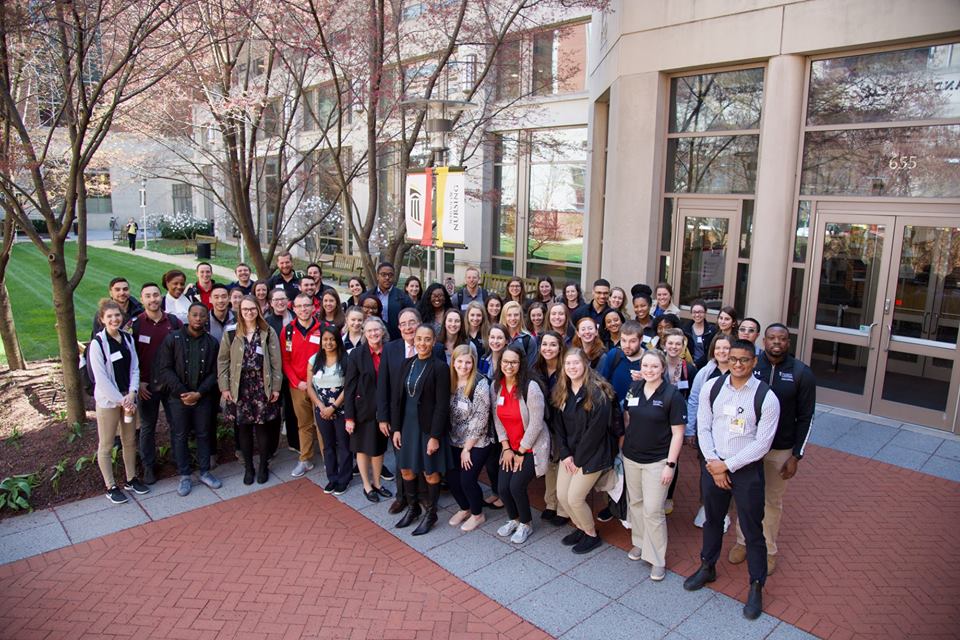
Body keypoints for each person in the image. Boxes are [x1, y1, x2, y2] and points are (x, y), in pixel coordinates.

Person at [684, 340, 780, 621]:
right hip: (714, 464)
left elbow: (762, 444)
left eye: (744, 360)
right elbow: (703, 425)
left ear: (754, 362)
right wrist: (715, 463)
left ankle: (756, 584)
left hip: (746, 470)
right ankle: (707, 566)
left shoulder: (766, 397)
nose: (738, 364)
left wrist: (727, 466)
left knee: (752, 529)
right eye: (734, 359)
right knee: (713, 520)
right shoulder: (713, 388)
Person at [729, 324, 815, 576]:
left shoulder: (801, 373)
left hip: (779, 449)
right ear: (763, 340)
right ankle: (743, 542)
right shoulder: (753, 365)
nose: (776, 342)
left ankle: (768, 550)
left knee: (771, 501)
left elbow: (807, 417)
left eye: (782, 338)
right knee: (745, 497)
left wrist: (796, 455)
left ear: (789, 342)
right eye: (771, 338)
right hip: (747, 446)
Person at [622, 349, 686, 580]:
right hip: (631, 457)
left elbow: (678, 434)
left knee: (654, 510)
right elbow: (627, 417)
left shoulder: (672, 395)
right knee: (636, 503)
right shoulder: (634, 388)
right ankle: (639, 542)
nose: (649, 370)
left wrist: (670, 464)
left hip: (658, 461)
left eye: (654, 366)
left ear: (662, 369)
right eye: (645, 366)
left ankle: (657, 558)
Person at [152, 303, 223, 497]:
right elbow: (165, 368)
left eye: (202, 315)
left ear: (206, 318)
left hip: (203, 397)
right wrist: (183, 392)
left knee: (203, 433)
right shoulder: (172, 339)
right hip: (178, 398)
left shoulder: (211, 343)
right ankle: (184, 475)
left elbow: (214, 373)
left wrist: (199, 393)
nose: (198, 318)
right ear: (188, 317)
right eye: (194, 315)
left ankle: (204, 471)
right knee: (180, 435)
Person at [554, 348, 618, 555]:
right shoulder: (562, 390)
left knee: (575, 498)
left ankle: (591, 534)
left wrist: (577, 460)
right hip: (570, 454)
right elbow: (558, 426)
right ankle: (580, 527)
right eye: (568, 364)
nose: (572, 367)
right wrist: (565, 454)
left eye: (576, 363)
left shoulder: (598, 393)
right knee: (562, 496)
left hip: (593, 455)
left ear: (586, 364)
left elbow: (595, 434)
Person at [391, 324, 452, 536]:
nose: (423, 343)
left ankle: (431, 514)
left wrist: (435, 436)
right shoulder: (406, 364)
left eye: (427, 339)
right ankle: (413, 507)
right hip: (407, 427)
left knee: (430, 472)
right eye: (419, 339)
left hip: (427, 429)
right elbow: (398, 399)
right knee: (406, 469)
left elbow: (442, 405)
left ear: (433, 341)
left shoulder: (440, 367)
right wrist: (396, 428)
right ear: (413, 340)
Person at [217, 296, 282, 485]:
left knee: (262, 427)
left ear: (258, 310)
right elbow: (223, 361)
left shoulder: (267, 332)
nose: (249, 312)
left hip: (262, 385)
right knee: (243, 428)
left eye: (252, 309)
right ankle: (248, 468)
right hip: (240, 385)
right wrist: (224, 387)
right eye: (245, 309)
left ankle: (263, 465)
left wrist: (276, 387)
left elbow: (276, 362)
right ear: (239, 311)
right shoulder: (230, 332)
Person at [89, 300, 148, 504]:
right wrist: (121, 400)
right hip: (109, 403)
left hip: (128, 401)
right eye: (110, 316)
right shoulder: (97, 344)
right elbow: (101, 378)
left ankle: (131, 478)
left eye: (117, 315)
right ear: (102, 320)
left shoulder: (127, 339)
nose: (114, 319)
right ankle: (111, 485)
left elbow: (135, 368)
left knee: (129, 440)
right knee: (106, 444)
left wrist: (132, 394)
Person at [377, 308, 434, 514]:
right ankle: (403, 497)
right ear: (398, 327)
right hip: (398, 415)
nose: (408, 327)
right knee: (402, 457)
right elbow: (382, 385)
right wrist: (383, 417)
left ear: (420, 324)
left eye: (412, 322)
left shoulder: (432, 350)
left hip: (421, 416)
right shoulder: (391, 349)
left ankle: (424, 496)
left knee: (421, 455)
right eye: (403, 324)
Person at [491, 345, 550, 544]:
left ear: (521, 364)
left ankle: (526, 524)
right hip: (510, 447)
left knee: (516, 486)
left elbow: (536, 423)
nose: (509, 365)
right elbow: (497, 418)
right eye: (506, 361)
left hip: (531, 447)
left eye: (514, 362)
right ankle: (513, 520)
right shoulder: (496, 386)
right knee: (502, 487)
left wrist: (520, 451)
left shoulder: (530, 387)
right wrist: (506, 448)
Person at [132, 283, 183, 485]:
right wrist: (139, 383)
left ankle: (180, 462)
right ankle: (149, 467)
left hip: (171, 385)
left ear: (160, 298)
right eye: (148, 296)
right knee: (147, 427)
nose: (153, 299)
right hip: (147, 387)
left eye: (155, 295)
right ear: (142, 299)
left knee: (177, 425)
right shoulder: (135, 325)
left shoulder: (173, 321)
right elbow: (131, 357)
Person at [686, 333, 734, 529]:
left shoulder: (738, 372)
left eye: (726, 348)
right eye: (718, 348)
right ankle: (705, 507)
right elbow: (694, 400)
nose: (722, 352)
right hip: (707, 432)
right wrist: (690, 429)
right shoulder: (705, 373)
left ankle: (725, 513)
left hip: (731, 433)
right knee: (707, 470)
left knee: (729, 471)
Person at [344, 316, 393, 503]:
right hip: (362, 411)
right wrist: (349, 417)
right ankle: (367, 485)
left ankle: (378, 482)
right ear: (364, 333)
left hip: (383, 411)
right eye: (369, 330)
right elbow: (349, 387)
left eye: (376, 330)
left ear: (382, 331)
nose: (373, 333)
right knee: (363, 449)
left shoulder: (390, 351)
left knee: (379, 448)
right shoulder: (356, 355)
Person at [446, 345, 493, 532]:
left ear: (473, 362)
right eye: (460, 361)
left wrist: (467, 449)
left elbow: (480, 419)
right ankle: (464, 508)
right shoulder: (449, 380)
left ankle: (477, 514)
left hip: (477, 441)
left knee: (467, 479)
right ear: (453, 362)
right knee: (451, 477)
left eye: (468, 362)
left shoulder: (480, 383)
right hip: (453, 438)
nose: (464, 366)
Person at [281, 294, 323, 477]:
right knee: (304, 423)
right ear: (294, 309)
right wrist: (297, 382)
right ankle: (305, 459)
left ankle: (329, 458)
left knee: (323, 424)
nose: (303, 309)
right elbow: (285, 360)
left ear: (313, 307)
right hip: (298, 386)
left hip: (320, 385)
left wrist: (316, 381)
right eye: (299, 306)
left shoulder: (323, 329)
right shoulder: (287, 331)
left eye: (307, 305)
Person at [307, 326, 351, 494]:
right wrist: (321, 406)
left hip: (340, 408)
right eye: (325, 339)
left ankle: (344, 478)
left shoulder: (345, 359)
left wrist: (333, 407)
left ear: (338, 340)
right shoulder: (314, 360)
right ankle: (332, 477)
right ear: (321, 341)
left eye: (332, 339)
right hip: (321, 409)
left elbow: (349, 386)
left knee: (344, 444)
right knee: (328, 444)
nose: (329, 342)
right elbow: (309, 386)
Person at [533, 331, 568, 526]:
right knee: (550, 463)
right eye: (545, 344)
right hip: (546, 423)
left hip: (565, 424)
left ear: (560, 347)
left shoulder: (566, 368)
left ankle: (563, 509)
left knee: (563, 463)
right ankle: (551, 503)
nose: (548, 348)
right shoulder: (536, 368)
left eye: (553, 344)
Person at [661, 328, 698, 514]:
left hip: (677, 418)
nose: (674, 347)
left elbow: (692, 396)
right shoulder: (657, 363)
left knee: (673, 457)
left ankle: (668, 496)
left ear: (683, 346)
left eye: (678, 343)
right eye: (670, 343)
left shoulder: (689, 369)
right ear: (664, 344)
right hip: (658, 417)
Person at [264, 288, 298, 453]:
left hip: (294, 371)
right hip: (276, 373)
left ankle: (294, 442)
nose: (280, 302)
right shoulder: (267, 322)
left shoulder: (296, 317)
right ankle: (271, 448)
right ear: (270, 303)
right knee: (274, 412)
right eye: (276, 300)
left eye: (282, 299)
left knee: (292, 410)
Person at [597, 320, 645, 402]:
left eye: (632, 341)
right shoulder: (614, 354)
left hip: (639, 411)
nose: (627, 345)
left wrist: (646, 379)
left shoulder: (650, 359)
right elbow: (602, 383)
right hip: (615, 409)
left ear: (641, 340)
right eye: (623, 340)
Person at [371, 261, 414, 341]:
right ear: (377, 276)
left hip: (396, 339)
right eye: (384, 275)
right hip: (372, 337)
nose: (387, 278)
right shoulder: (369, 296)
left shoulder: (403, 298)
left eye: (390, 275)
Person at [684, 299, 717, 370]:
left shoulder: (712, 330)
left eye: (700, 312)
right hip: (688, 366)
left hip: (707, 367)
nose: (697, 315)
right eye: (694, 312)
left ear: (705, 313)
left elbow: (710, 352)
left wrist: (696, 364)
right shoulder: (685, 330)